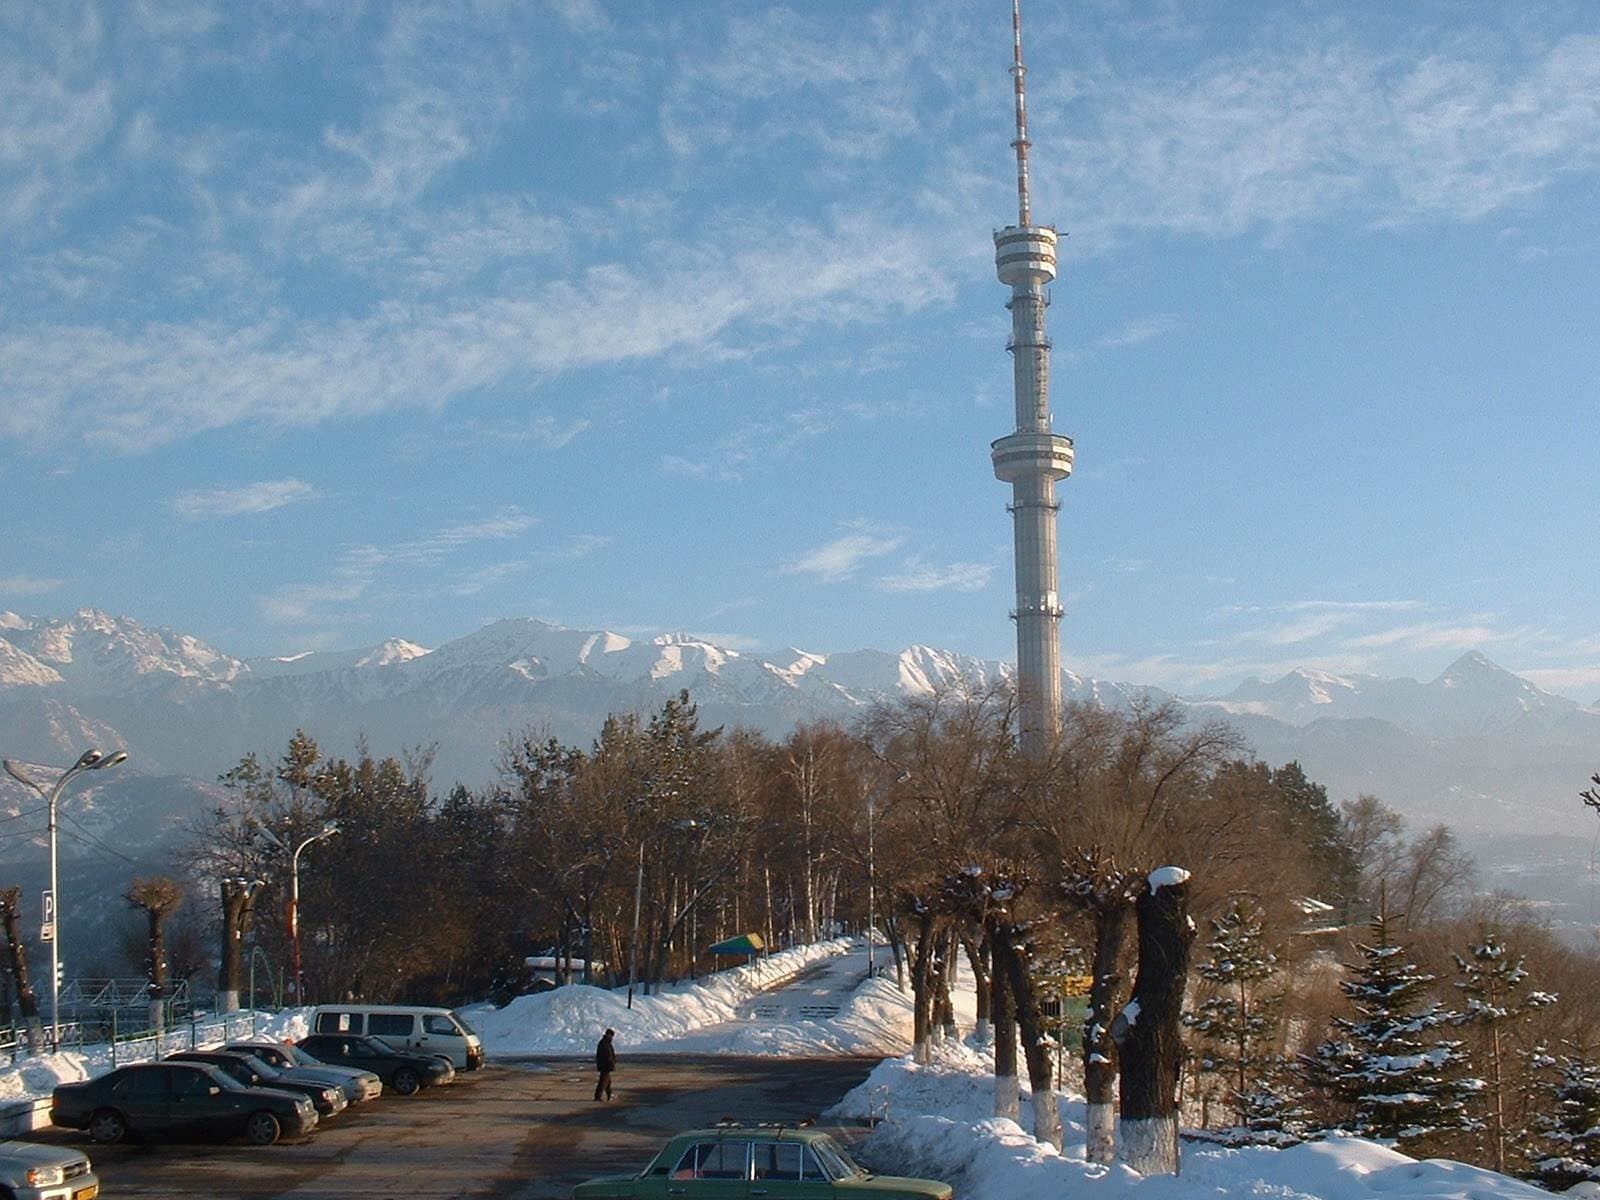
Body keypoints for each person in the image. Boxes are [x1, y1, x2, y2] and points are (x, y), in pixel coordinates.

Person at [594, 1027, 617, 1101]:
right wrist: (611, 1063)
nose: (612, 1037)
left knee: (607, 1082)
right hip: (605, 1066)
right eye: (611, 1035)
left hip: (605, 1065)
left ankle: (609, 1094)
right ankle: (598, 1097)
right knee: (603, 1082)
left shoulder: (606, 1043)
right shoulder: (604, 1043)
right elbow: (608, 1056)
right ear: (608, 1035)